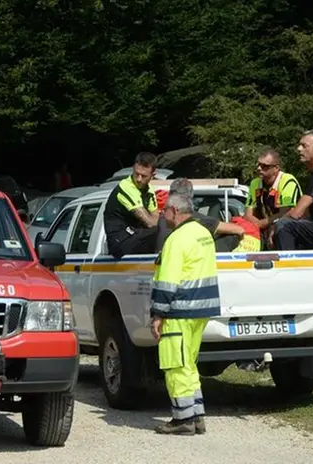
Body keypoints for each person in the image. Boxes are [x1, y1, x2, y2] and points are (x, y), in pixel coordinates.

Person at [149, 192, 221, 436]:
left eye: (165, 210)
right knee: (188, 364)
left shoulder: (176, 239)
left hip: (180, 311)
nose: (162, 214)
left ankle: (183, 419)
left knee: (175, 365)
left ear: (176, 211)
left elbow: (167, 280)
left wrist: (158, 314)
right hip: (201, 310)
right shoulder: (203, 234)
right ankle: (196, 415)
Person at [154, 178, 245, 252]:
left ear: (170, 194)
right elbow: (239, 230)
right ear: (190, 198)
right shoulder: (199, 220)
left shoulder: (161, 218)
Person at [103, 152, 161, 258]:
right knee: (162, 231)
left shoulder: (149, 191)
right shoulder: (126, 187)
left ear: (153, 176)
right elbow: (150, 223)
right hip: (120, 241)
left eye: (143, 176)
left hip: (135, 236)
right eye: (136, 173)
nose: (139, 179)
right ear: (133, 168)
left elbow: (156, 219)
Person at [243, 148, 302, 249]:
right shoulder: (255, 183)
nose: (259, 168)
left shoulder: (287, 181)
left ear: (276, 168)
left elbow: (286, 213)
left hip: (291, 228)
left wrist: (263, 224)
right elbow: (248, 215)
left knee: (280, 231)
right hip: (265, 228)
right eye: (258, 164)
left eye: (264, 166)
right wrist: (260, 225)